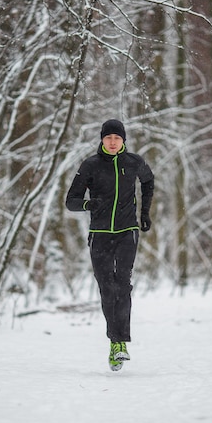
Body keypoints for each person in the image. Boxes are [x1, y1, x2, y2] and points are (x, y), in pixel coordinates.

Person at [65, 119, 154, 371]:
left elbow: (148, 181)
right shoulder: (90, 165)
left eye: (117, 138)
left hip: (127, 231)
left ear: (123, 140)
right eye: (108, 138)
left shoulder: (134, 162)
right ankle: (114, 342)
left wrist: (145, 213)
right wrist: (88, 205)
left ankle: (120, 344)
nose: (113, 142)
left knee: (123, 285)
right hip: (100, 233)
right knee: (107, 287)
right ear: (102, 140)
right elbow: (71, 201)